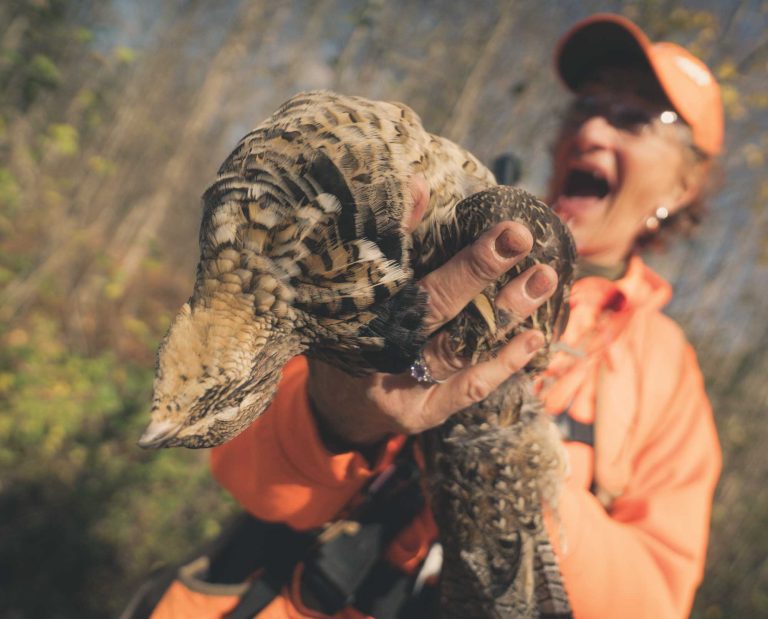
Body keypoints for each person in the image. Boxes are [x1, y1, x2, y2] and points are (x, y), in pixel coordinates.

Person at [143, 13, 722, 619]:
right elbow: (246, 471)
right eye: (584, 107)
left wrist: (516, 483)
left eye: (635, 119)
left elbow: (655, 601)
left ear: (684, 184)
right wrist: (341, 408)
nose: (594, 130)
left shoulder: (663, 367)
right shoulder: (433, 228)